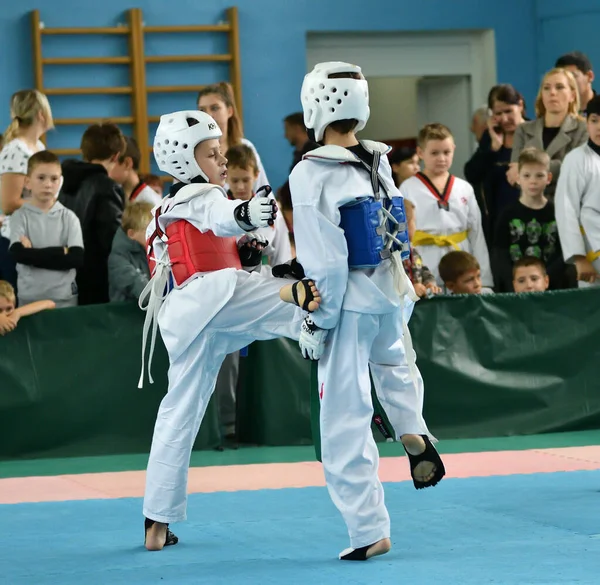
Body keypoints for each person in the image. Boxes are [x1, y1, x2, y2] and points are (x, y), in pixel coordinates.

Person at [139, 110, 322, 551]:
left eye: (221, 152)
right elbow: (220, 214)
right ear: (185, 159)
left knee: (178, 411)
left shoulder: (166, 207)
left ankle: (155, 520)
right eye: (212, 153)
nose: (222, 161)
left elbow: (214, 239)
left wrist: (249, 243)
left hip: (195, 315)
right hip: (212, 295)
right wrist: (245, 212)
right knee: (307, 306)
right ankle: (295, 303)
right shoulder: (193, 196)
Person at [290, 61, 445, 562]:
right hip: (389, 293)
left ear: (316, 105)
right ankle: (412, 427)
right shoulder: (378, 160)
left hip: (348, 301)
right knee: (397, 370)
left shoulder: (311, 170)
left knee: (344, 417)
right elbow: (395, 233)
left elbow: (327, 260)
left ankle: (368, 529)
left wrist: (318, 319)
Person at [401, 123, 493, 288]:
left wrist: (484, 280)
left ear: (454, 150)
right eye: (435, 153)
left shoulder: (464, 188)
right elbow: (402, 236)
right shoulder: (407, 188)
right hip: (424, 261)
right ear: (420, 152)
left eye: (446, 152)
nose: (441, 158)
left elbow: (476, 233)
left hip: (461, 259)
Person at [59, 123, 126, 304]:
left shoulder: (62, 182)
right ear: (116, 156)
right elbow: (112, 239)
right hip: (97, 276)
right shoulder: (107, 187)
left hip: (65, 271)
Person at [9, 151, 83, 308]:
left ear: (60, 182)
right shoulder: (19, 216)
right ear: (28, 182)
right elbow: (18, 254)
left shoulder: (69, 218)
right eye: (41, 178)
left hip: (64, 298)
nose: (48, 184)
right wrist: (60, 252)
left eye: (54, 179)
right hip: (29, 298)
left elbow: (76, 259)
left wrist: (31, 254)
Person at [492, 147, 569, 292]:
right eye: (527, 175)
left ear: (549, 178)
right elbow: (500, 254)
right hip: (516, 289)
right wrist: (513, 283)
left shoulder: (557, 212)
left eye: (539, 175)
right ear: (518, 178)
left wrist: (545, 281)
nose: (533, 181)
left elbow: (562, 252)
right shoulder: (507, 214)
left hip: (551, 288)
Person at [0, 89, 54, 289]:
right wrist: (44, 203)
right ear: (41, 113)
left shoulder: (38, 148)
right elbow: (8, 203)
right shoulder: (15, 150)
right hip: (17, 242)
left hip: (38, 239)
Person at [508, 68, 587, 200]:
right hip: (530, 208)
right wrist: (556, 167)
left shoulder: (583, 129)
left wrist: (529, 170)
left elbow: (576, 170)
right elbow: (515, 176)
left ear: (572, 95)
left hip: (568, 206)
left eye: (559, 87)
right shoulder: (523, 129)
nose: (552, 92)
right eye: (546, 88)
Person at [464, 84, 526, 243]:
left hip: (529, 220)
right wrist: (492, 148)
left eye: (508, 111)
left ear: (520, 105)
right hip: (497, 225)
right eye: (498, 113)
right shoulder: (490, 137)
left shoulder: (534, 133)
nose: (505, 119)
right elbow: (472, 174)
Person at [554, 94, 600, 286]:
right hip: (593, 256)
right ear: (586, 123)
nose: (599, 127)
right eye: (594, 120)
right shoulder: (576, 159)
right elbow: (566, 209)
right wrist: (579, 258)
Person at [197, 82, 269, 193]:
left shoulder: (245, 147)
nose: (208, 116)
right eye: (202, 110)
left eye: (215, 108)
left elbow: (263, 191)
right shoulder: (191, 153)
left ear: (229, 111)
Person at [108, 202, 152, 302]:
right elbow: (140, 288)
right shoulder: (117, 259)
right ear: (131, 234)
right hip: (126, 316)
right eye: (149, 231)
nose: (155, 235)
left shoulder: (152, 250)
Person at [110, 137, 163, 206]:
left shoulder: (152, 203)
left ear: (127, 163)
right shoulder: (117, 196)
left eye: (111, 162)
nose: (105, 169)